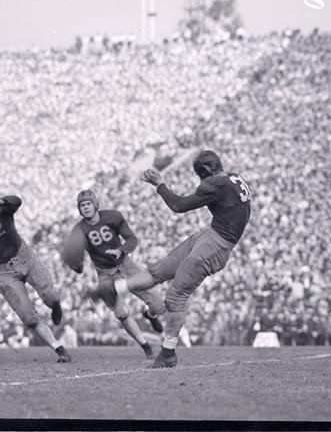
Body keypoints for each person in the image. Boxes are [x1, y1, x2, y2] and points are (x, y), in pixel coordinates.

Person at [89, 150, 251, 368]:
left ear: (204, 171)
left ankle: (168, 352)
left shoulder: (214, 184)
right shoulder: (234, 177)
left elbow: (179, 206)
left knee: (175, 296)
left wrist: (160, 185)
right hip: (211, 234)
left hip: (217, 243)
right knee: (159, 271)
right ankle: (114, 289)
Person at [0, 180, 71, 363]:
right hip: (2, 269)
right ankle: (59, 349)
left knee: (50, 295)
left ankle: (56, 305)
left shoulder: (3, 208)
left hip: (24, 256)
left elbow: (16, 200)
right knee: (28, 316)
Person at [63, 190, 165, 359]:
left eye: (88, 204)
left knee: (159, 305)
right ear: (79, 209)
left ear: (96, 204)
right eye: (82, 205)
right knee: (121, 314)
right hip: (105, 273)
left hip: (126, 265)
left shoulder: (113, 216)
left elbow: (132, 239)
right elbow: (77, 260)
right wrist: (75, 264)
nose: (86, 207)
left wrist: (120, 250)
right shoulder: (78, 230)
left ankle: (150, 314)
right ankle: (145, 346)